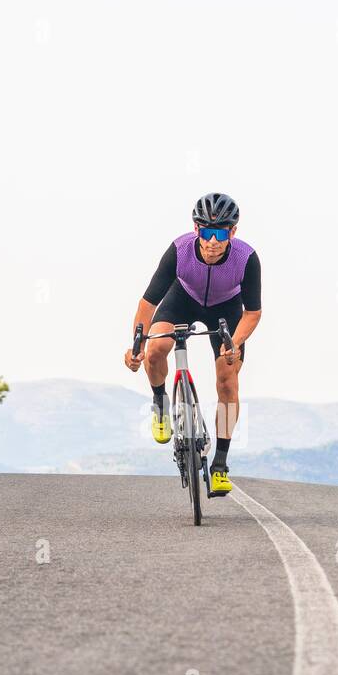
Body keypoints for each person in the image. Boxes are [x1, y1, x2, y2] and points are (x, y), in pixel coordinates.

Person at [123, 192, 261, 495]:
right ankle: (160, 403)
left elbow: (252, 313)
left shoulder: (246, 258)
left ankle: (221, 464)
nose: (212, 241)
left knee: (228, 381)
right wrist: (137, 346)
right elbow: (147, 304)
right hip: (182, 299)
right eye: (206, 232)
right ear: (196, 229)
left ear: (232, 233)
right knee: (157, 349)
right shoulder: (179, 250)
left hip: (226, 309)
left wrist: (234, 343)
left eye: (220, 233)